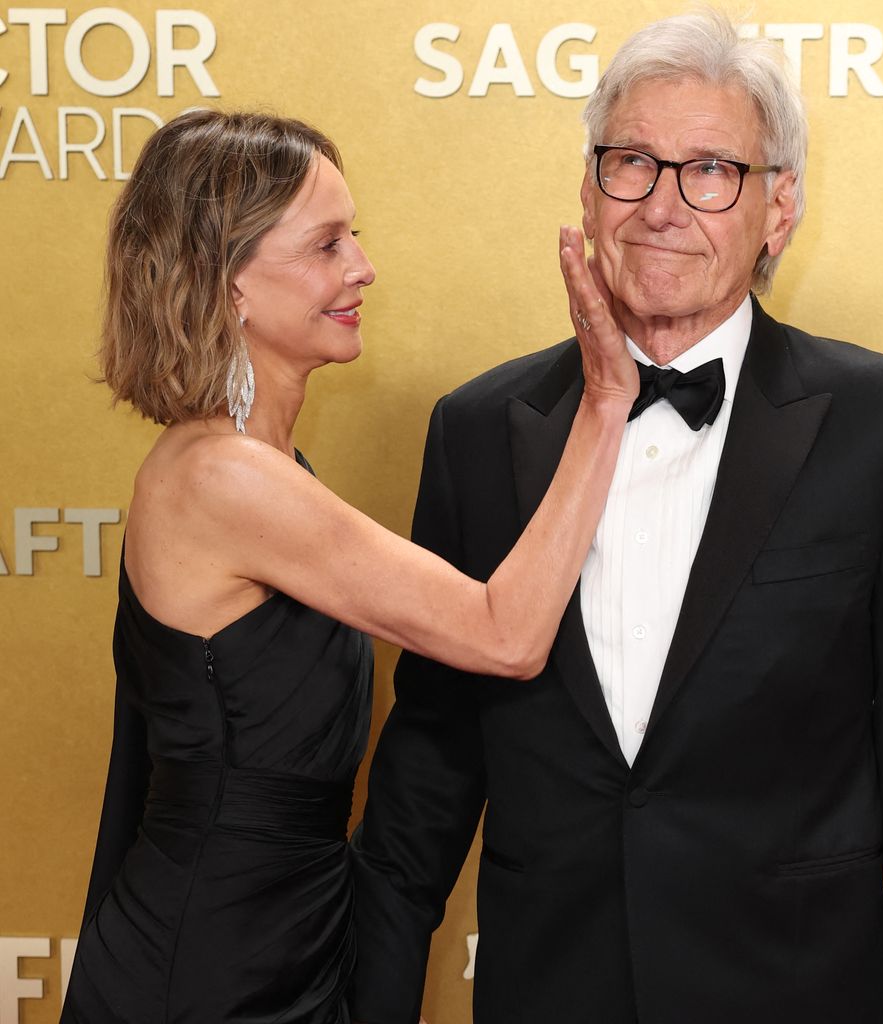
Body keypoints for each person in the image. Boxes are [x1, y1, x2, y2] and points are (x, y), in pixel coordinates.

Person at [350, 10, 883, 1024]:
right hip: (550, 990)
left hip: (797, 994)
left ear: (776, 209)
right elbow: (428, 768)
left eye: (709, 171)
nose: (661, 204)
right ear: (587, 188)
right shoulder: (478, 429)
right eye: (632, 163)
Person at [61, 109, 635, 1023]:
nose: (361, 268)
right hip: (213, 969)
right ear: (227, 282)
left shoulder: (257, 470)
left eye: (353, 237)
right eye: (326, 244)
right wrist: (606, 401)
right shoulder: (224, 480)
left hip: (290, 940)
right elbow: (505, 633)